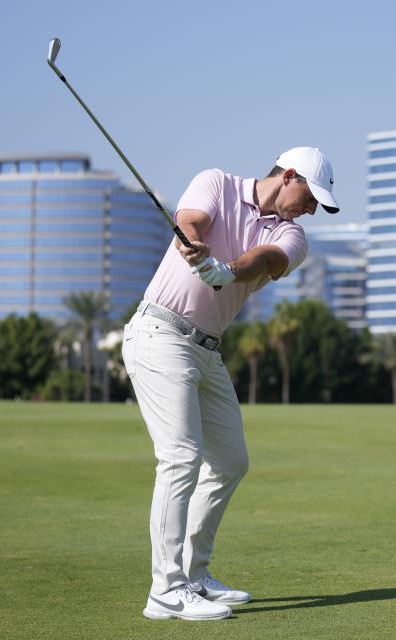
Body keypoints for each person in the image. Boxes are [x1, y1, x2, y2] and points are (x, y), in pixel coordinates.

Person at [122, 147, 339, 621]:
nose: (311, 209)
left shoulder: (292, 235)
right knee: (181, 457)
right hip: (159, 333)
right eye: (309, 196)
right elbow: (192, 220)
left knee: (230, 461)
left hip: (206, 349)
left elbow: (266, 259)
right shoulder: (216, 182)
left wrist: (226, 270)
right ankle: (165, 590)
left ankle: (194, 575)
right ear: (288, 175)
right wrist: (194, 248)